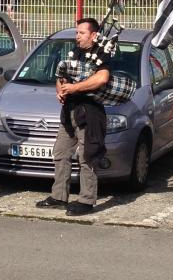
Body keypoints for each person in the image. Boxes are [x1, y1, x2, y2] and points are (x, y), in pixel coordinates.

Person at [36, 18, 110, 216]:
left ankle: (87, 200)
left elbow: (102, 78)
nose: (77, 36)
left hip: (89, 113)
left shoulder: (102, 54)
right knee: (60, 154)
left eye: (81, 33)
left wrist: (75, 87)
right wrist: (60, 91)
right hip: (69, 112)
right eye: (76, 33)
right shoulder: (75, 51)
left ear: (94, 35)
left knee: (88, 157)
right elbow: (62, 77)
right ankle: (59, 196)